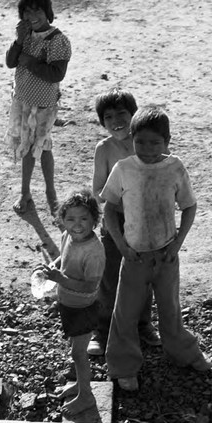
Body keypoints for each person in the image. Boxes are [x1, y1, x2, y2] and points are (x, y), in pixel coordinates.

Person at [101, 106, 212, 391]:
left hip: (166, 254)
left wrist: (177, 243)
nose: (147, 149)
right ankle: (124, 366)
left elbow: (189, 206)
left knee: (170, 309)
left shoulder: (174, 167)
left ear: (167, 141)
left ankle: (183, 353)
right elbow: (110, 209)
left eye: (155, 142)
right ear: (132, 138)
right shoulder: (124, 168)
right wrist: (122, 246)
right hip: (134, 256)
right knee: (125, 312)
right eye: (140, 142)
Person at [87, 88, 160, 356]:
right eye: (108, 117)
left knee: (144, 276)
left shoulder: (145, 143)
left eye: (122, 114)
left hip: (146, 221)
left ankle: (143, 325)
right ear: (102, 122)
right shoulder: (104, 149)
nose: (116, 120)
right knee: (110, 278)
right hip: (116, 221)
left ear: (134, 115)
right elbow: (97, 189)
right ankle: (103, 330)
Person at [36, 189, 105, 416]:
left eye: (84, 218)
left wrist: (59, 279)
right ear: (62, 220)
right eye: (71, 219)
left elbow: (89, 286)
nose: (77, 224)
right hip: (68, 303)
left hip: (84, 308)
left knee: (78, 353)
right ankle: (80, 385)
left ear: (94, 220)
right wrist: (52, 267)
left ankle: (86, 395)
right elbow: (63, 258)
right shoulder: (68, 235)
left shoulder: (94, 252)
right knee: (75, 349)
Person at [5, 0, 71, 215]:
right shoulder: (26, 37)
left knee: (42, 147)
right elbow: (11, 62)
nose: (32, 17)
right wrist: (18, 41)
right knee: (27, 146)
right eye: (27, 12)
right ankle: (25, 192)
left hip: (43, 105)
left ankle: (50, 192)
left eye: (37, 11)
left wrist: (30, 61)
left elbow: (57, 74)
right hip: (23, 101)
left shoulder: (57, 40)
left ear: (48, 12)